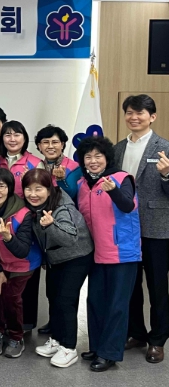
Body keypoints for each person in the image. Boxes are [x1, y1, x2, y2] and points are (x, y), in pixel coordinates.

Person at [76, 136, 141, 372]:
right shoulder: (83, 184)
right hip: (95, 252)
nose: (93, 161)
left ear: (107, 158)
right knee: (95, 301)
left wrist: (113, 190)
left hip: (121, 252)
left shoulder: (122, 178)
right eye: (88, 157)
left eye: (98, 156)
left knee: (116, 305)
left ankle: (109, 353)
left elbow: (128, 206)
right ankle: (97, 346)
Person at [23, 169, 93, 369]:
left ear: (49, 189)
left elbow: (70, 239)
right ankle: (57, 339)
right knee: (53, 297)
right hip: (56, 257)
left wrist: (51, 225)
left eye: (38, 189)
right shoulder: (34, 206)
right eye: (28, 189)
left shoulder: (62, 207)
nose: (33, 194)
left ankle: (69, 348)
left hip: (77, 255)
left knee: (65, 300)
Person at [118, 95, 169, 363]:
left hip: (156, 229)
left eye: (140, 112)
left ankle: (158, 339)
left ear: (152, 117)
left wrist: (167, 175)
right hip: (125, 229)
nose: (134, 117)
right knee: (130, 285)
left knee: (157, 287)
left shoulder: (165, 148)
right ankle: (136, 332)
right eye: (129, 112)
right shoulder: (117, 149)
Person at [0, 168, 41, 359]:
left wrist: (8, 237)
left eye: (1, 186)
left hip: (22, 263)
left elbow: (22, 250)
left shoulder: (23, 213)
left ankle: (16, 336)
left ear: (10, 188)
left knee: (11, 297)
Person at [0, 121, 44, 198]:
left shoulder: (36, 163)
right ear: (2, 139)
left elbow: (41, 192)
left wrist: (29, 181)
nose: (12, 139)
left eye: (16, 135)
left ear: (24, 138)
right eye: (8, 135)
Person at [35, 125, 82, 199]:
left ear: (62, 145)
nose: (50, 146)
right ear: (39, 146)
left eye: (55, 142)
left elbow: (71, 195)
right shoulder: (37, 167)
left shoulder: (74, 167)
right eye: (46, 142)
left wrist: (61, 180)